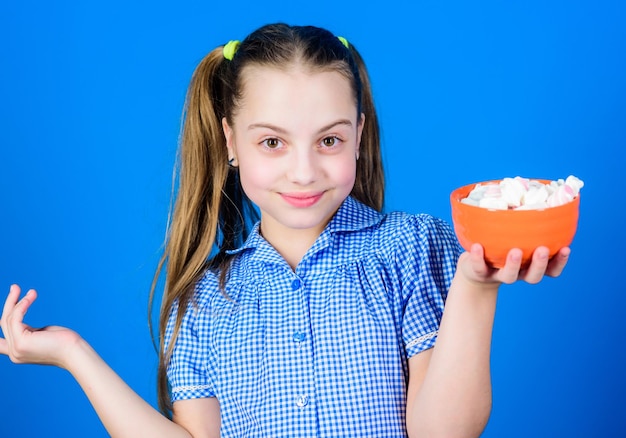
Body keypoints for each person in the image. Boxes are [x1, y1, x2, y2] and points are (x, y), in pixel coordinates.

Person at [0, 23, 570, 437]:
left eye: (329, 140)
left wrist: (478, 285)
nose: (304, 171)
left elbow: (442, 432)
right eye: (272, 142)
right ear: (230, 141)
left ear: (359, 134)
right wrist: (73, 353)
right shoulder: (203, 300)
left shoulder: (412, 247)